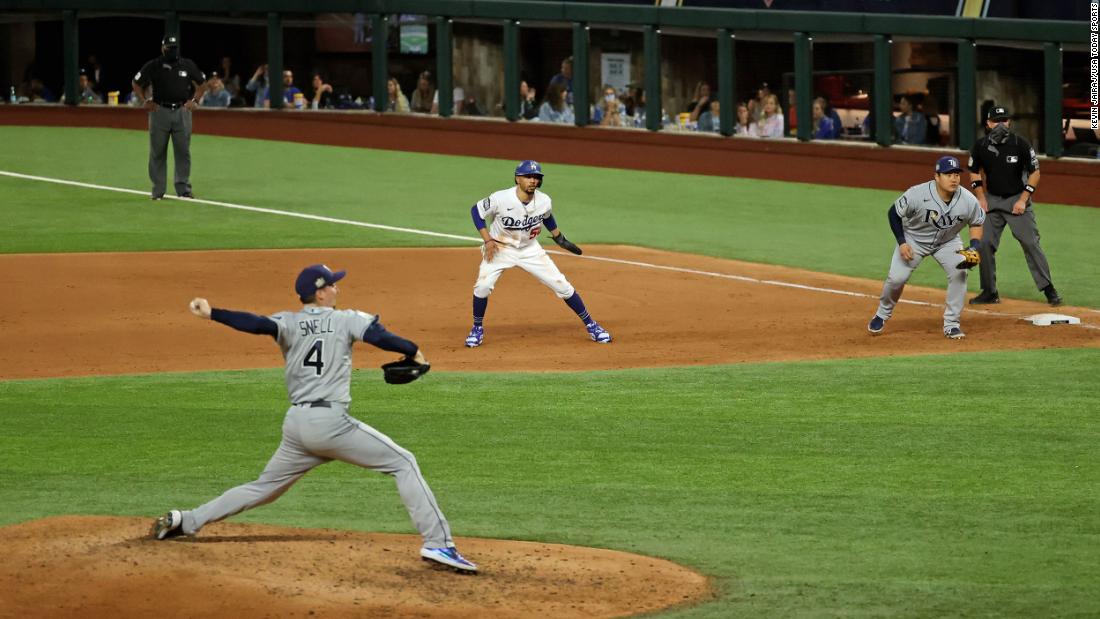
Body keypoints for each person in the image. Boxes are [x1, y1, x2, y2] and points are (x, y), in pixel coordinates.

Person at [151, 264, 478, 574]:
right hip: (330, 425)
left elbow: (256, 323)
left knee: (263, 488)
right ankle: (439, 544)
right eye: (332, 283)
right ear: (320, 293)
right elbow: (381, 337)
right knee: (404, 462)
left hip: (297, 425)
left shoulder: (288, 322)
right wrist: (414, 350)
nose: (337, 288)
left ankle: (187, 520)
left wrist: (212, 313)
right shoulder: (347, 319)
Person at [464, 161, 611, 347]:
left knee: (563, 286)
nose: (533, 181)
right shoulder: (500, 198)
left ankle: (592, 325)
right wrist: (488, 240)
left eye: (536, 177)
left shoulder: (544, 200)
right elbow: (476, 211)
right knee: (483, 287)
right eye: (528, 177)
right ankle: (477, 328)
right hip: (500, 248)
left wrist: (559, 238)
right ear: (518, 178)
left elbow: (547, 216)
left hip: (530, 249)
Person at [867, 156, 985, 339]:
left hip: (948, 242)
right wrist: (902, 241)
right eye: (948, 174)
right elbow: (893, 213)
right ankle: (882, 313)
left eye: (956, 174)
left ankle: (952, 324)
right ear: (937, 177)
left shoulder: (968, 200)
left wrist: (975, 246)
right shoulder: (917, 194)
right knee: (897, 278)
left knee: (959, 273)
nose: (953, 179)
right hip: (914, 239)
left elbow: (977, 222)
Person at [967, 106, 1062, 306]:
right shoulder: (981, 146)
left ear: (1009, 123)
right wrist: (980, 197)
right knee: (983, 244)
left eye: (1004, 120)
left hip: (1017, 200)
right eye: (996, 121)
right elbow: (974, 171)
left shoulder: (1020, 144)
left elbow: (1035, 172)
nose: (1000, 125)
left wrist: (1023, 199)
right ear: (988, 124)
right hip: (992, 201)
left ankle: (1049, 289)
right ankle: (989, 292)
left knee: (1030, 242)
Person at [132, 35, 206, 200]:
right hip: (160, 111)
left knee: (183, 152)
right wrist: (144, 100)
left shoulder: (187, 65)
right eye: (169, 48)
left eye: (174, 48)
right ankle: (158, 191)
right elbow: (136, 83)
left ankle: (183, 189)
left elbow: (202, 84)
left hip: (182, 112)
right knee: (157, 152)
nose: (172, 51)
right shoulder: (154, 65)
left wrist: (194, 101)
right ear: (162, 48)